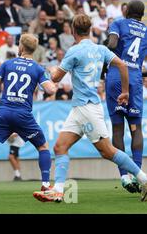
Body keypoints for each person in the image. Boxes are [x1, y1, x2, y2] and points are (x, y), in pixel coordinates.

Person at [33, 14, 147, 202]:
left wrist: (51, 69)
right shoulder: (100, 49)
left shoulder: (74, 51)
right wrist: (125, 90)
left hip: (87, 109)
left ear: (72, 30)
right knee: (60, 146)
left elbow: (55, 78)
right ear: (89, 29)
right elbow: (122, 65)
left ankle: (143, 178)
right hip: (80, 108)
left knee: (107, 151)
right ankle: (58, 190)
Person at [0, 34, 57, 195]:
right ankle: (45, 184)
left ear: (21, 47)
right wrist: (48, 76)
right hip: (23, 114)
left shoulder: (8, 63)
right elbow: (50, 90)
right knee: (43, 147)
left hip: (4, 112)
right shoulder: (37, 68)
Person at [105, 0, 147, 193]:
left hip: (115, 76)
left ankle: (124, 176)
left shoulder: (119, 23)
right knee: (136, 127)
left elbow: (112, 43)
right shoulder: (146, 31)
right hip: (136, 79)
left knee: (117, 128)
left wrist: (103, 49)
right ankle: (139, 174)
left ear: (128, 10)